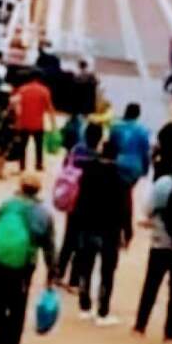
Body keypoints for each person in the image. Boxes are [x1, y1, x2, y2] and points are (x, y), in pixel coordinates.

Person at [0, 173, 55, 344]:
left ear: (20, 187)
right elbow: (49, 247)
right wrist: (51, 272)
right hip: (21, 268)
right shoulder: (43, 214)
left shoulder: (7, 206)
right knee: (17, 306)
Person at [70, 139, 132, 325]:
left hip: (87, 225)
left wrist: (76, 226)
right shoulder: (121, 178)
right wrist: (127, 232)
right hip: (110, 229)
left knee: (85, 266)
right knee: (107, 271)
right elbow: (125, 208)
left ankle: (84, 305)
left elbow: (78, 201)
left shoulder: (87, 173)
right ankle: (103, 310)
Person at [133, 152, 172, 341]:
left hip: (160, 242)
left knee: (151, 284)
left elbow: (147, 209)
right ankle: (170, 331)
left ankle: (140, 324)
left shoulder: (162, 185)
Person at [55, 123, 103, 287]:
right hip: (89, 205)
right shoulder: (98, 158)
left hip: (72, 202)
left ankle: (58, 272)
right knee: (82, 244)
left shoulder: (75, 152)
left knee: (68, 239)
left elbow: (64, 169)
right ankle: (74, 279)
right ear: (99, 138)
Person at [13, 70, 56, 173]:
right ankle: (39, 165)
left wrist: (16, 121)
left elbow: (16, 106)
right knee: (39, 146)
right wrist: (53, 123)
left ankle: (22, 166)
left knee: (22, 146)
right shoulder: (44, 90)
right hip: (38, 123)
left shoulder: (22, 89)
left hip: (24, 122)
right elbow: (49, 108)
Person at [109, 103, 151, 190]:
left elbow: (111, 147)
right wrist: (146, 168)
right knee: (128, 190)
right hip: (135, 167)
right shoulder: (143, 130)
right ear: (138, 114)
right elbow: (145, 152)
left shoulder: (115, 127)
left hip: (118, 163)